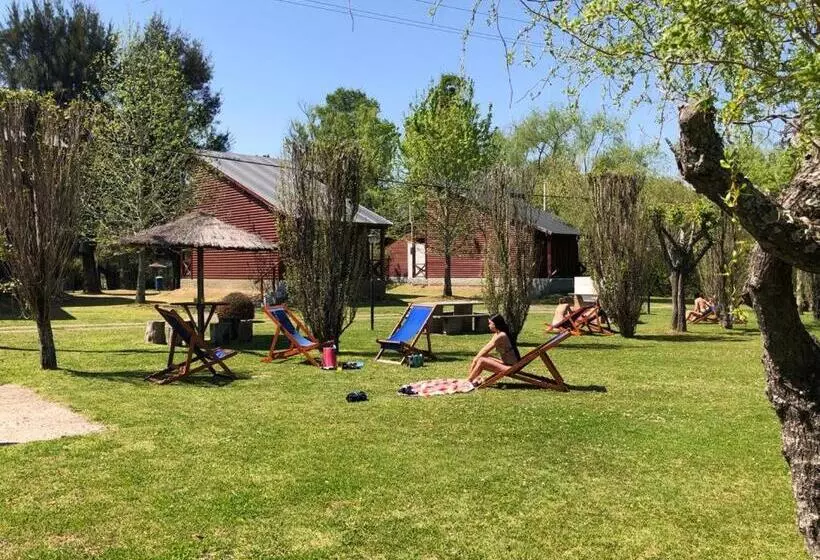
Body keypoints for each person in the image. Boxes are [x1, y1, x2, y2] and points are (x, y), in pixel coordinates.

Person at [467, 314, 521, 386]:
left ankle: (468, 381)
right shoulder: (498, 334)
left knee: (481, 360)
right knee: (483, 357)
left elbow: (486, 350)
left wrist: (475, 359)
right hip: (507, 364)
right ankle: (471, 379)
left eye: (490, 323)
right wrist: (476, 358)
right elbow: (485, 349)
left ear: (496, 324)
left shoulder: (501, 336)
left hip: (512, 367)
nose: (488, 325)